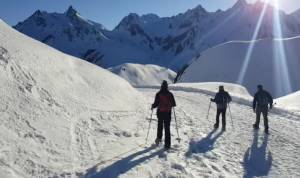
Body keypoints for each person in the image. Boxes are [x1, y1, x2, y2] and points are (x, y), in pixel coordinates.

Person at [151, 80, 176, 150]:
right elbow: (174, 104)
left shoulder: (158, 94)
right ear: (167, 86)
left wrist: (152, 106)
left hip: (160, 113)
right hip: (167, 114)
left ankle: (159, 139)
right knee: (167, 128)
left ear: (161, 86)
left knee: (160, 126)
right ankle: (167, 145)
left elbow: (156, 104)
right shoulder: (170, 94)